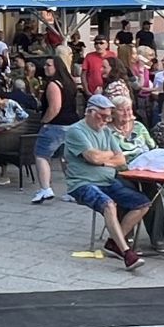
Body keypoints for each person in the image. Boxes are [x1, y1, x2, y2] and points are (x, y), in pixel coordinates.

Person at [62, 94, 150, 271]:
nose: (105, 120)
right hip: (82, 182)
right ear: (89, 112)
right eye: (101, 116)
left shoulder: (107, 131)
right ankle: (126, 253)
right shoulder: (76, 131)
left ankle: (113, 243)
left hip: (108, 179)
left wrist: (103, 159)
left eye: (108, 116)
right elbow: (92, 156)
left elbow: (121, 161)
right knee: (109, 205)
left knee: (143, 203)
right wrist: (108, 156)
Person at [29, 55, 80, 204]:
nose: (45, 68)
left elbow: (55, 107)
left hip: (56, 125)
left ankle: (45, 188)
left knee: (41, 155)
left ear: (57, 67)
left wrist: (44, 121)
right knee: (66, 159)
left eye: (48, 65)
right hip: (72, 124)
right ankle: (73, 190)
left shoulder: (53, 84)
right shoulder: (69, 83)